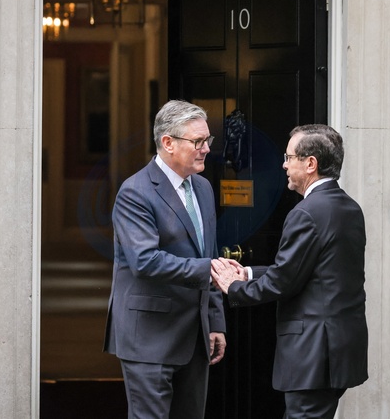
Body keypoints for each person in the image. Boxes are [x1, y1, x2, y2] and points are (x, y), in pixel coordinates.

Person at [211, 124, 368, 419]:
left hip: (314, 351)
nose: (284, 164)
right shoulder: (349, 207)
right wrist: (248, 273)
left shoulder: (306, 213)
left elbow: (283, 281)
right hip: (340, 348)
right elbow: (311, 271)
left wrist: (233, 287)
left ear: (311, 164)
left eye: (289, 157)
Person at [104, 99, 227, 419]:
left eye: (208, 140)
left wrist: (215, 321)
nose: (206, 149)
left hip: (195, 335)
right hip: (149, 337)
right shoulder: (135, 192)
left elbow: (208, 252)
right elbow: (145, 261)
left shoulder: (203, 188)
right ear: (168, 142)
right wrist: (210, 269)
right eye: (197, 141)